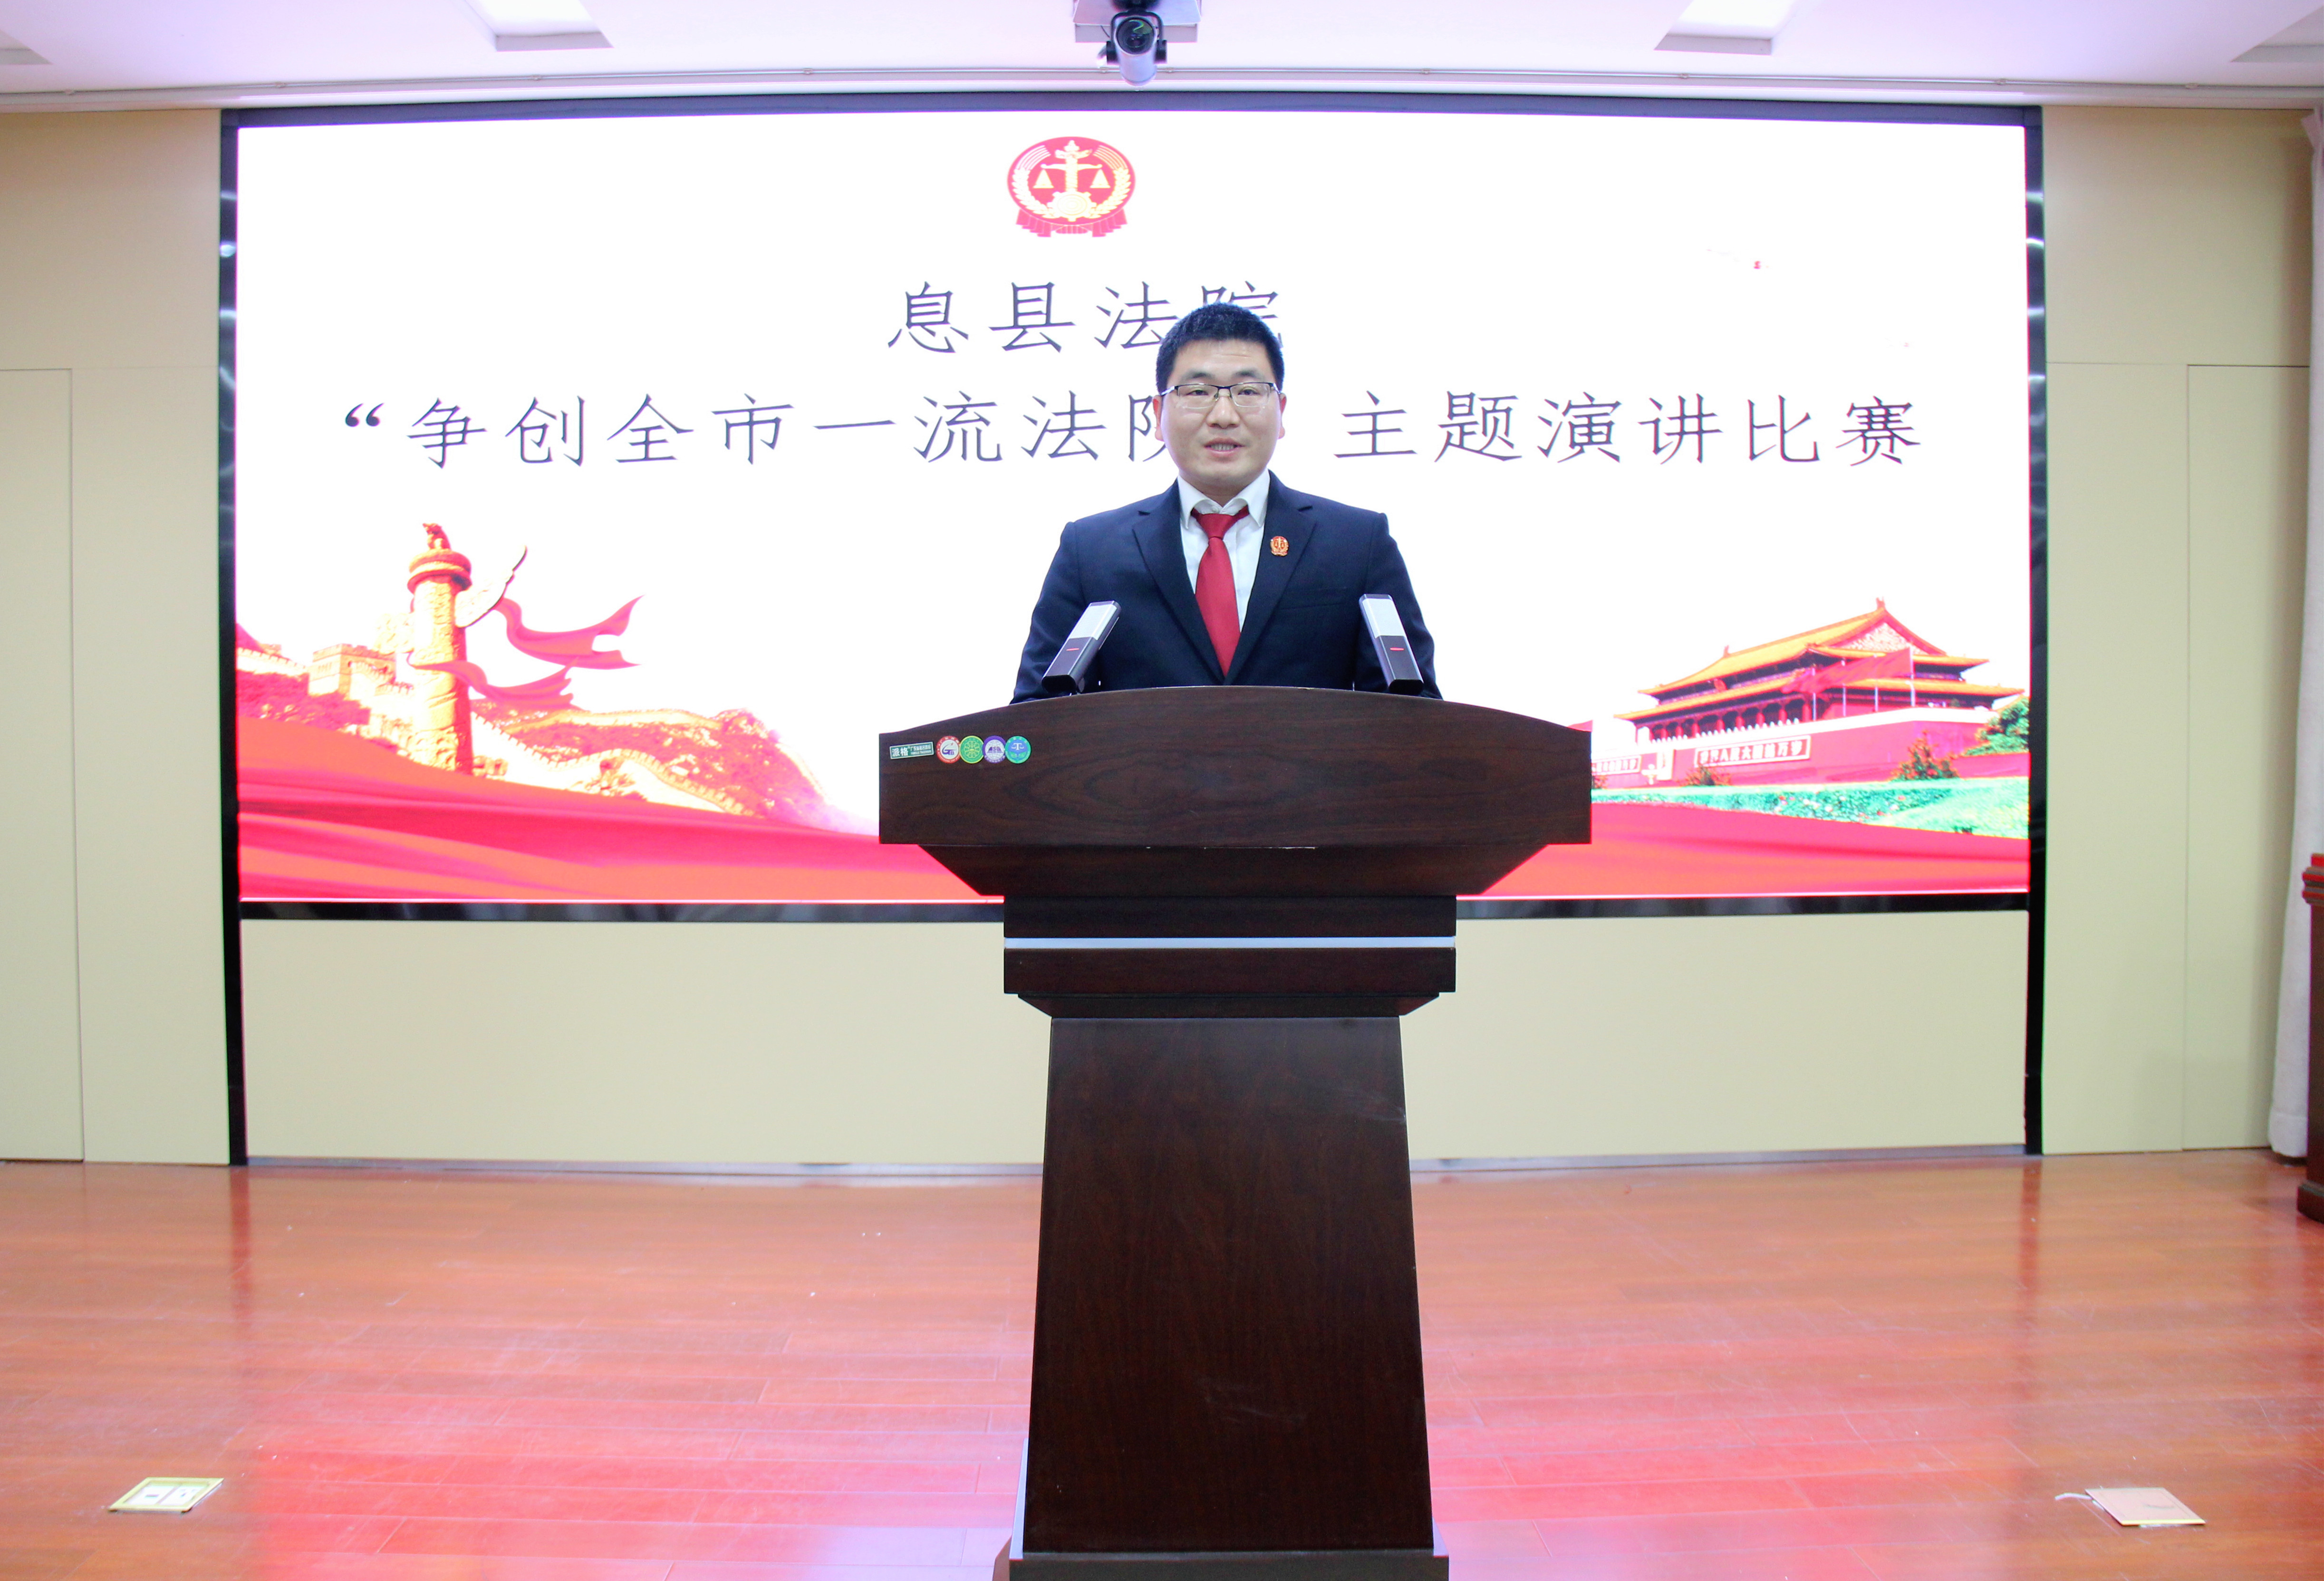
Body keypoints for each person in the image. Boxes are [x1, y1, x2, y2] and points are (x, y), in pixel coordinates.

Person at [1010, 301, 1439, 702]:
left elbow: (1414, 715)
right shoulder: (1091, 550)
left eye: (1248, 391)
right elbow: (1036, 712)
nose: (1223, 416)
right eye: (1197, 392)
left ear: (1281, 411)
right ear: (1157, 414)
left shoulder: (1357, 543)